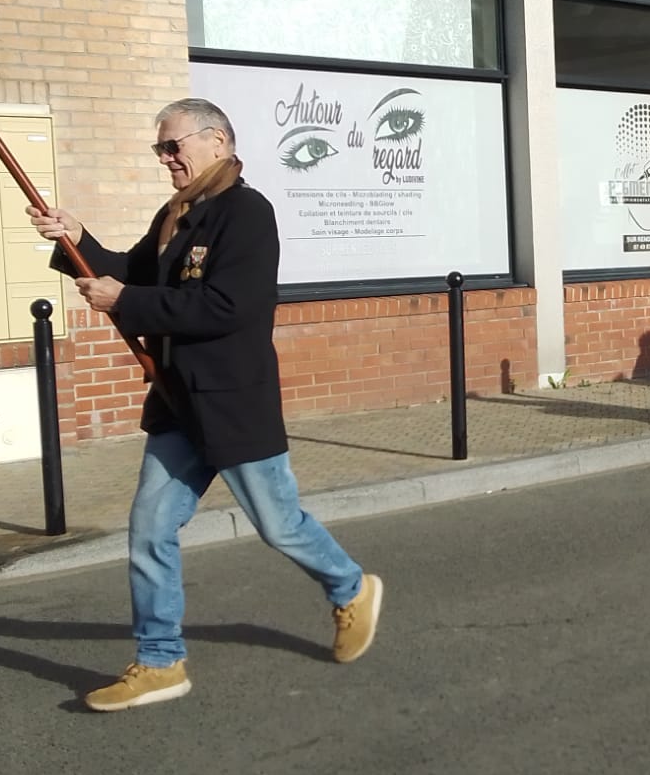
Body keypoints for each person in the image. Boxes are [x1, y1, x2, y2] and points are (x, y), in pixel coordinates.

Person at [27, 97, 383, 711]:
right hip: (177, 405)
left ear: (217, 141)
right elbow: (132, 272)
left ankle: (351, 588)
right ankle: (160, 661)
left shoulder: (247, 213)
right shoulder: (176, 214)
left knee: (279, 525)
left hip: (233, 403)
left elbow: (229, 307)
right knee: (150, 527)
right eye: (160, 149)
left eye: (174, 146)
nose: (166, 158)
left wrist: (125, 301)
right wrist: (77, 239)